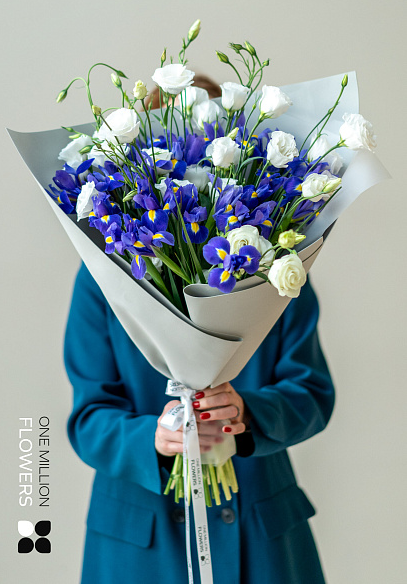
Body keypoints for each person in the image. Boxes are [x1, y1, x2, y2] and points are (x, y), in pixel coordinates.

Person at [63, 76, 335, 583]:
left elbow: (313, 393)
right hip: (138, 547)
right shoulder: (102, 274)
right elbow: (88, 418)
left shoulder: (277, 267)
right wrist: (153, 438)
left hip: (260, 533)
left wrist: (246, 414)